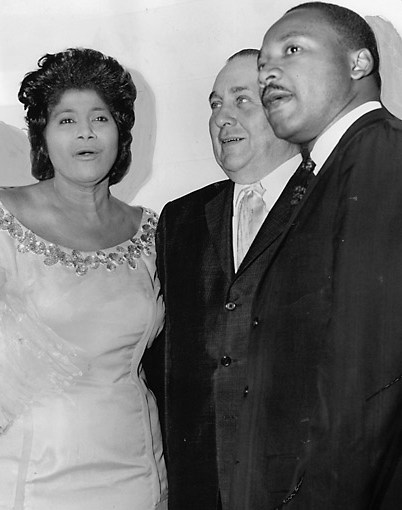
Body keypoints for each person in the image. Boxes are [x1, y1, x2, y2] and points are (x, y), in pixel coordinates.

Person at [229, 2, 402, 509]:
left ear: (359, 64)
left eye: (292, 50)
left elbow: (366, 378)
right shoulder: (331, 170)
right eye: (263, 65)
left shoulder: (380, 158)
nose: (269, 74)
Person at [0, 48, 167, 510]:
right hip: (32, 476)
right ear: (43, 137)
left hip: (136, 469)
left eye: (100, 118)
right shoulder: (2, 217)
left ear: (120, 134)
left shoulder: (153, 231)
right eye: (66, 120)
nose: (86, 132)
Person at [150, 49, 300, 509]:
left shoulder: (332, 200)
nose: (222, 118)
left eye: (241, 100)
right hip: (199, 488)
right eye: (215, 104)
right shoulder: (180, 218)